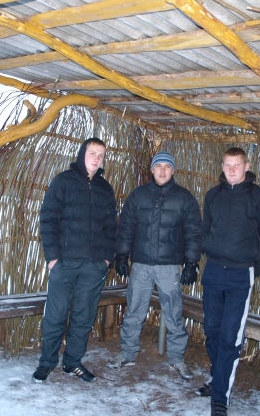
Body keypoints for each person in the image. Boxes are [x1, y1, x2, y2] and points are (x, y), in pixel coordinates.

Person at [106, 151, 202, 380]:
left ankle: (177, 359)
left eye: (167, 166)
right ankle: (128, 353)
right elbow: (126, 227)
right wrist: (121, 256)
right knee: (134, 312)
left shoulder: (184, 198)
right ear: (151, 169)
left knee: (174, 314)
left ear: (173, 170)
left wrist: (191, 263)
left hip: (169, 267)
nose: (162, 170)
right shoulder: (138, 196)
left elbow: (193, 232)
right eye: (158, 166)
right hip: (141, 264)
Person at [199, 147, 260, 416]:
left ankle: (221, 398)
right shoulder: (213, 196)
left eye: (237, 165)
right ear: (221, 166)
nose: (232, 169)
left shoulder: (259, 199)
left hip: (240, 275)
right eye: (227, 165)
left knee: (230, 336)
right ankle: (217, 379)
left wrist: (252, 271)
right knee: (212, 330)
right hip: (212, 272)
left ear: (247, 167)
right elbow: (206, 229)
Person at [32, 137, 117, 383]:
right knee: (56, 315)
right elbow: (48, 219)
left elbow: (112, 226)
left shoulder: (105, 188)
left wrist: (107, 259)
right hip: (65, 263)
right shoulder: (63, 182)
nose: (97, 159)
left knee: (83, 317)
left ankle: (72, 362)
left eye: (101, 155)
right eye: (93, 153)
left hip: (93, 265)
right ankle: (47, 363)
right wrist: (52, 258)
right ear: (82, 154)